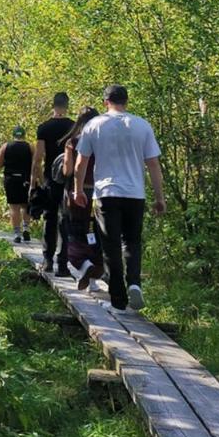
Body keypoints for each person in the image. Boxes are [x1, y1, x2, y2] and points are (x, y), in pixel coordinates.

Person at [72, 85, 166, 313]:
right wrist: (159, 197)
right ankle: (134, 282)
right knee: (132, 241)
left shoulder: (95, 125)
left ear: (105, 102)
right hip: (135, 194)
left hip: (107, 193)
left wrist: (78, 190)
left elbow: (80, 163)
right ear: (127, 101)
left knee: (111, 246)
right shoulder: (142, 125)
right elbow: (153, 164)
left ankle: (118, 301)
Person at [61, 107, 104, 291]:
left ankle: (84, 265)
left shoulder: (73, 142)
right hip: (101, 193)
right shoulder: (103, 140)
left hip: (78, 193)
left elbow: (68, 171)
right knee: (96, 235)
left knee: (76, 232)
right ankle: (94, 280)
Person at [33, 92, 74, 275]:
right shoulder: (74, 127)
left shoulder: (44, 128)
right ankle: (63, 264)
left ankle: (48, 260)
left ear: (53, 105)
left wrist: (40, 181)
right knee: (66, 220)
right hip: (69, 180)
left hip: (51, 178)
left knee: (50, 218)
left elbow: (38, 158)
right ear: (67, 106)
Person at [0, 126, 33, 243]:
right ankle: (26, 228)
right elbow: (36, 164)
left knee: (14, 207)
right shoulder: (30, 147)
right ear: (24, 135)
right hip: (25, 179)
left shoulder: (6, 146)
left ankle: (17, 233)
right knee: (26, 205)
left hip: (11, 179)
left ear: (13, 135)